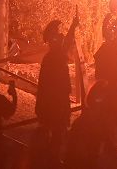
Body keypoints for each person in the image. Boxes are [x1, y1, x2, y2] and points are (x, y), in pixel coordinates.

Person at [36, 16, 78, 162]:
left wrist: (73, 26)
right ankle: (51, 160)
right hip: (53, 103)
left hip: (59, 101)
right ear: (53, 41)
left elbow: (66, 43)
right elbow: (44, 86)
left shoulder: (57, 55)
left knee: (59, 132)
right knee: (55, 132)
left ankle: (53, 158)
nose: (61, 36)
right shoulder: (50, 59)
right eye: (58, 34)